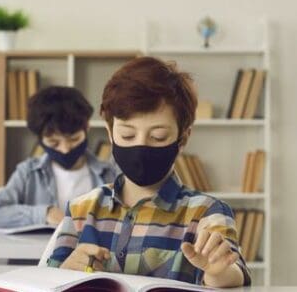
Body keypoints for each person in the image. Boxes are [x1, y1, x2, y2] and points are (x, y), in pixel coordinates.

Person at [47, 57, 249, 288]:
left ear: (183, 137)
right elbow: (44, 281)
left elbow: (234, 274)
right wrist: (65, 271)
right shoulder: (80, 209)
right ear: (110, 133)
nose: (140, 147)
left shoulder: (207, 212)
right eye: (128, 135)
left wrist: (218, 272)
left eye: (158, 137)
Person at [0, 86, 117, 229]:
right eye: (54, 143)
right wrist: (45, 213)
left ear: (87, 128)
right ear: (40, 139)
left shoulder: (110, 173)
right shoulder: (28, 173)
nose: (65, 149)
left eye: (74, 139)